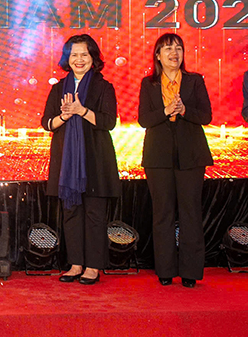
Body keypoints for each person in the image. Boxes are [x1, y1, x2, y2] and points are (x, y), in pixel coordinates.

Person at [41, 34, 120, 285]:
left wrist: (82, 111)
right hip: (66, 163)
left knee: (95, 214)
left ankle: (93, 267)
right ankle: (75, 264)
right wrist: (65, 116)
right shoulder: (57, 88)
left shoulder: (103, 87)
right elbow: (47, 123)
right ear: (67, 58)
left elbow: (108, 122)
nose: (79, 59)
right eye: (74, 55)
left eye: (84, 55)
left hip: (95, 160)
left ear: (93, 58)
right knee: (71, 213)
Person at [138, 33, 212, 288]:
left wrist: (184, 111)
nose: (174, 53)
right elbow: (144, 120)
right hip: (158, 157)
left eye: (178, 48)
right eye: (168, 49)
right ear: (158, 55)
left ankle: (190, 272)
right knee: (163, 214)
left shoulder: (194, 81)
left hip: (191, 156)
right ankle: (165, 270)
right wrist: (166, 111)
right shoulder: (148, 84)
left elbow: (206, 116)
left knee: (191, 213)